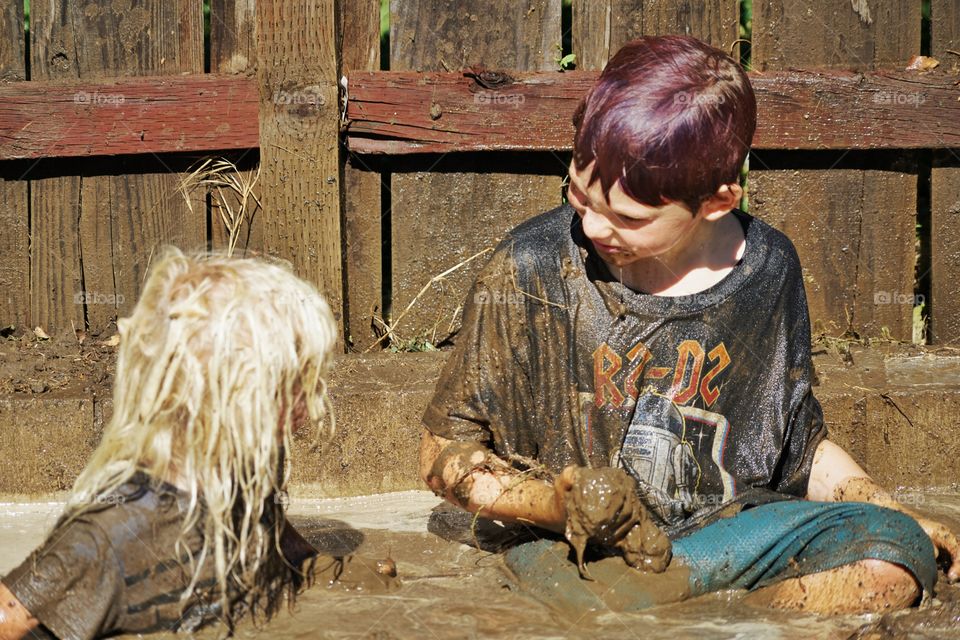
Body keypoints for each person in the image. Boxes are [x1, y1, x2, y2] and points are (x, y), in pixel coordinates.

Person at [419, 35, 960, 615]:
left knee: (898, 558)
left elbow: (799, 451)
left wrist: (895, 514)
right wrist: (558, 505)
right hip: (573, 549)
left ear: (718, 201)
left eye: (628, 217)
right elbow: (441, 455)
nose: (594, 227)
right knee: (588, 605)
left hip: (721, 540)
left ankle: (696, 611)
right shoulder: (530, 265)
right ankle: (676, 610)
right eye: (579, 195)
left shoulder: (769, 268)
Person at [0, 250, 350, 639]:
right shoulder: (106, 536)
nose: (316, 406)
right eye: (297, 382)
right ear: (224, 393)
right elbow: (9, 618)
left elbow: (300, 566)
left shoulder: (241, 484)